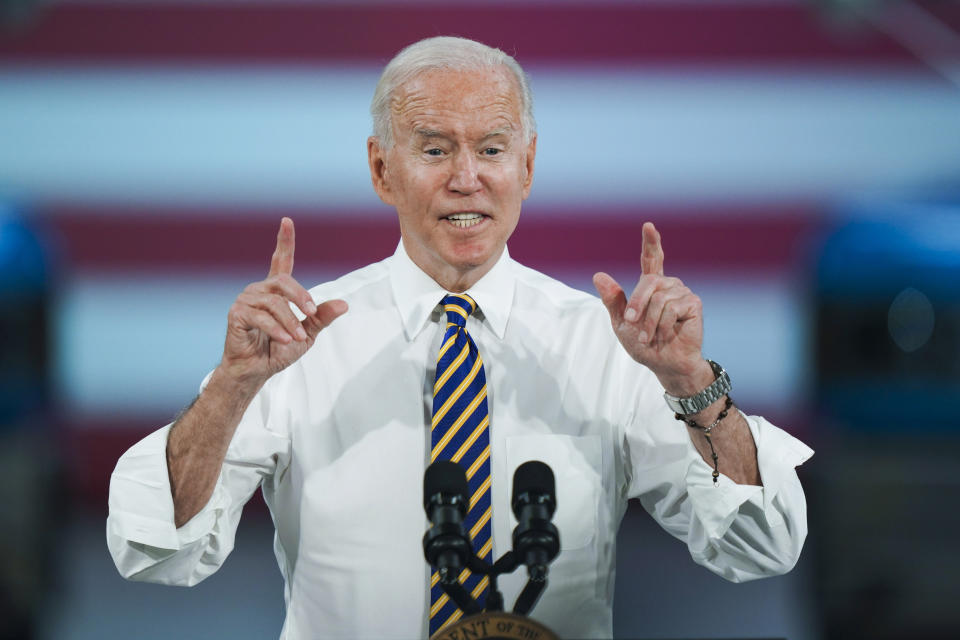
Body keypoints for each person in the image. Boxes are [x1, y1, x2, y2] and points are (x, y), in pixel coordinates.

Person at [107, 36, 813, 639]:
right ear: (382, 169)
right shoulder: (294, 340)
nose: (466, 179)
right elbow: (155, 550)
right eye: (435, 149)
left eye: (492, 149)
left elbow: (760, 548)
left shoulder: (608, 345)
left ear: (527, 167)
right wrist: (233, 386)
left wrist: (691, 383)